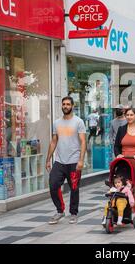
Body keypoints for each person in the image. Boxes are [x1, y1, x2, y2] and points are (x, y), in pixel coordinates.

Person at [46, 96, 86, 225]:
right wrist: (48, 160)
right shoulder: (57, 123)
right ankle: (60, 210)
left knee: (74, 188)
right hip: (59, 161)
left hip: (74, 161)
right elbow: (53, 141)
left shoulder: (78, 122)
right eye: (64, 104)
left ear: (72, 106)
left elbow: (83, 141)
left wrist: (81, 160)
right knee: (53, 185)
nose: (65, 106)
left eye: (68, 104)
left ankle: (73, 213)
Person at [114, 108, 135, 224]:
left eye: (131, 115)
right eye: (127, 115)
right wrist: (118, 154)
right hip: (124, 162)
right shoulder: (121, 129)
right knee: (123, 186)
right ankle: (123, 211)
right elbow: (116, 146)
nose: (129, 117)